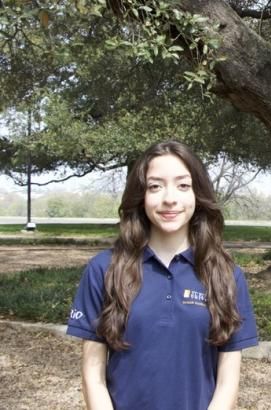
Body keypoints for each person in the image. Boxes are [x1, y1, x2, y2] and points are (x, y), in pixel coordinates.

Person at [67, 140, 259, 410]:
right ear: (141, 196)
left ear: (198, 194)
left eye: (183, 185)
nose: (170, 198)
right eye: (155, 186)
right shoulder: (105, 269)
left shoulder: (226, 275)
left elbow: (228, 381)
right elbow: (93, 374)